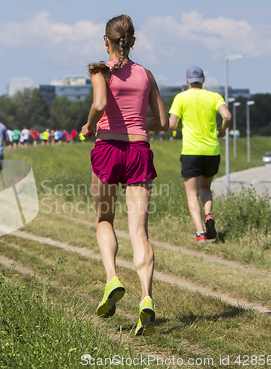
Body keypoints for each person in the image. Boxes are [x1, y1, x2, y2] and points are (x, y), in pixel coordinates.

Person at [81, 14, 168, 336]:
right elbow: (163, 122)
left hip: (107, 149)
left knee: (104, 219)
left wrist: (90, 125)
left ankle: (112, 279)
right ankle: (146, 297)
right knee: (139, 231)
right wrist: (139, 126)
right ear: (132, 42)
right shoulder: (146, 74)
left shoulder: (100, 71)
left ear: (107, 42)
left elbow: (100, 103)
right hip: (139, 151)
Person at [169, 66, 231, 243]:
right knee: (205, 188)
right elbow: (227, 115)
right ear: (203, 79)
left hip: (191, 151)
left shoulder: (181, 98)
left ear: (187, 80)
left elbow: (172, 125)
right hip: (212, 151)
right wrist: (222, 130)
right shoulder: (214, 97)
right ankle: (209, 215)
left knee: (191, 194)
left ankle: (200, 233)